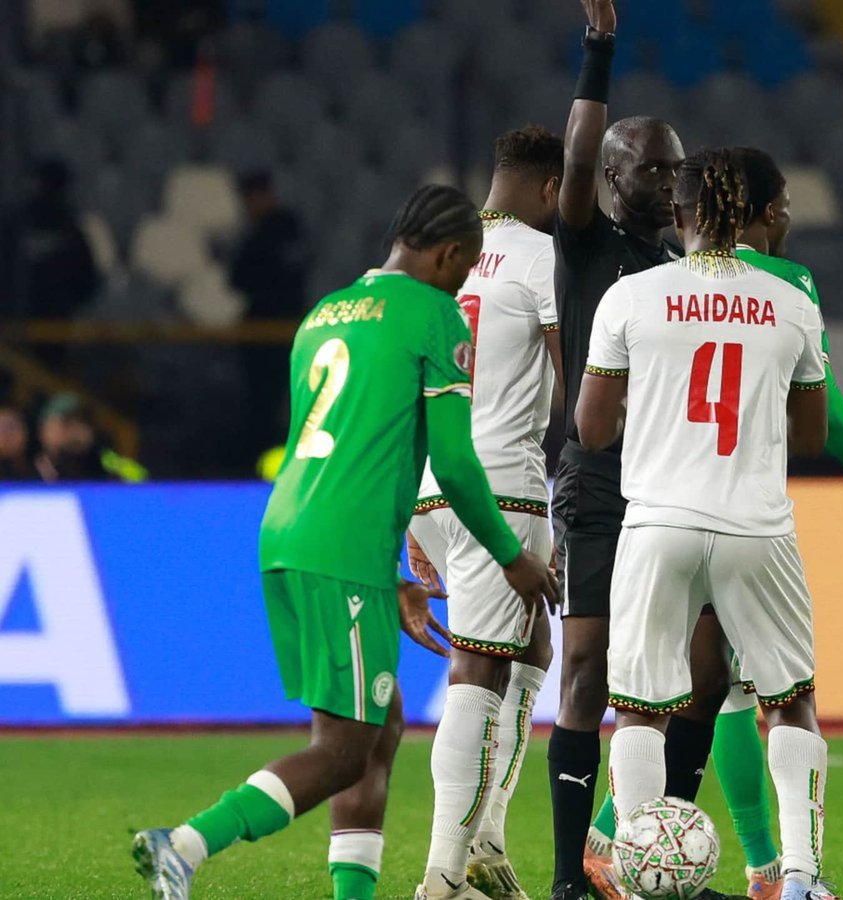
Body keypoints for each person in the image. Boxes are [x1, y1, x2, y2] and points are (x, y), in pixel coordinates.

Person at [131, 185, 563, 900]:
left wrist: (391, 570)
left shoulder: (323, 314)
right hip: (344, 546)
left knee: (379, 726)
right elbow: (454, 464)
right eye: (465, 269)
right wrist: (512, 556)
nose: (463, 284)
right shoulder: (433, 314)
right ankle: (184, 844)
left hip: (287, 528)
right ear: (451, 254)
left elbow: (330, 447)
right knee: (340, 752)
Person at [581, 144, 843, 900]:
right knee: (788, 698)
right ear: (749, 214)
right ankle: (800, 878)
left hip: (659, 520)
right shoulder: (791, 301)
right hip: (755, 525)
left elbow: (592, 429)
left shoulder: (632, 296)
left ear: (678, 211)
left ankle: (637, 869)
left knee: (640, 707)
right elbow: (810, 434)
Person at [545, 4, 734, 899]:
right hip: (594, 483)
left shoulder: (682, 270)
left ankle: (648, 848)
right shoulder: (584, 245)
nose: (668, 180)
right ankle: (570, 876)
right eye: (651, 166)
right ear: (613, 174)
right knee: (587, 669)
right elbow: (573, 153)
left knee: (702, 674)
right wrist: (599, 46)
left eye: (675, 166)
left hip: (672, 482)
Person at [406, 126, 565, 900]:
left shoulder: (439, 247)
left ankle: (490, 835)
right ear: (551, 189)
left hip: (428, 482)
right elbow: (577, 390)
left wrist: (409, 519)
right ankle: (445, 871)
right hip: (502, 483)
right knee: (481, 666)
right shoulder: (544, 258)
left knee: (532, 640)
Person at [231, 170, 311, 453]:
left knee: (281, 401)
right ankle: (262, 455)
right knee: (261, 403)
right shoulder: (257, 231)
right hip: (263, 330)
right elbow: (237, 278)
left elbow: (248, 276)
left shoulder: (281, 229)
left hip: (282, 328)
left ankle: (276, 455)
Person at [1, 159, 99, 322]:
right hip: (12, 323)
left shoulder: (70, 229)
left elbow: (86, 283)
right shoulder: (13, 225)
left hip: (55, 324)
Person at [0, 406, 39, 480]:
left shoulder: (45, 471)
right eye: (1, 429)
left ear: (25, 433)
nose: (6, 435)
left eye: (11, 428)